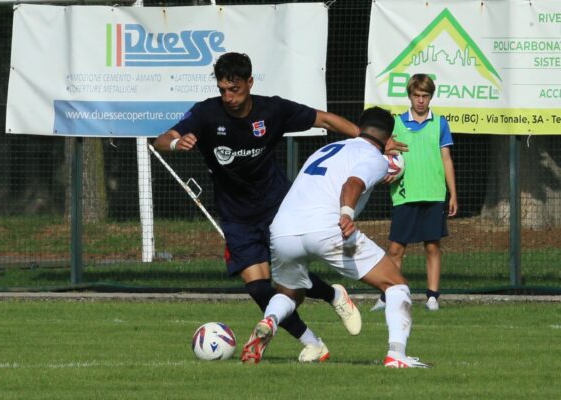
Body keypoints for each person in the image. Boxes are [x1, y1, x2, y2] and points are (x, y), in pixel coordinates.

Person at [152, 52, 364, 363]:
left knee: (289, 285)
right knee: (257, 288)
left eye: (234, 89)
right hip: (236, 216)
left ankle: (333, 295)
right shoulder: (207, 114)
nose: (229, 97)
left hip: (279, 209)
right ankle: (313, 342)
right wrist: (174, 144)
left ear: (249, 83)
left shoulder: (272, 110)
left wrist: (371, 142)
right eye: (223, 90)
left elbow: (326, 119)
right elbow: (163, 138)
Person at [240, 106, 429, 368]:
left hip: (283, 230)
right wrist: (347, 213)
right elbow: (353, 184)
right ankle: (397, 355)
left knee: (290, 293)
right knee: (395, 284)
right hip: (328, 229)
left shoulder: (327, 149)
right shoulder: (375, 158)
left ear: (360, 127)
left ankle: (269, 320)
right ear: (389, 137)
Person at [370, 73, 458, 312]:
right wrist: (385, 171)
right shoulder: (396, 123)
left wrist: (453, 194)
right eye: (416, 95)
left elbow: (446, 159)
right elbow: (386, 156)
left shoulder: (439, 123)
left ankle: (432, 297)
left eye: (425, 96)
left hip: (433, 193)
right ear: (409, 96)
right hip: (405, 194)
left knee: (432, 246)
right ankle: (388, 295)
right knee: (396, 248)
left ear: (430, 97)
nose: (420, 100)